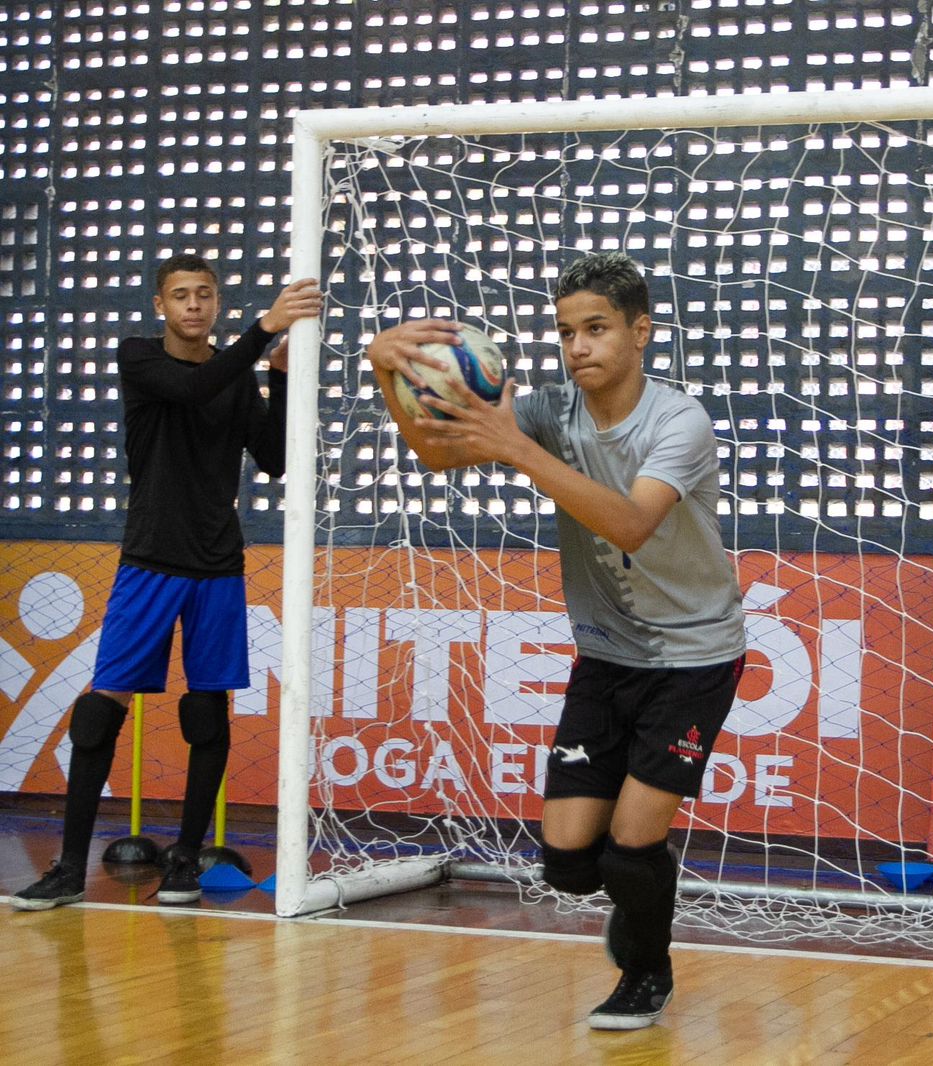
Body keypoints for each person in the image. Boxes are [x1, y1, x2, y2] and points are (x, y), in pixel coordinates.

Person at [365, 252, 745, 1030]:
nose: (579, 347)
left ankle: (647, 970)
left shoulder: (680, 421)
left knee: (631, 844)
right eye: (567, 331)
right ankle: (636, 899)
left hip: (694, 658)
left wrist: (519, 450)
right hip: (606, 656)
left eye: (597, 328)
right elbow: (438, 453)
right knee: (570, 864)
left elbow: (632, 523)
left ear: (641, 332)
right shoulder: (547, 413)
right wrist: (386, 374)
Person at [12, 254, 323, 910]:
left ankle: (184, 859)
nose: (192, 305)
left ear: (216, 303)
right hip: (150, 561)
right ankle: (68, 868)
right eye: (180, 295)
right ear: (162, 305)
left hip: (216, 567)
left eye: (204, 295)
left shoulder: (234, 374)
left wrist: (276, 378)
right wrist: (265, 332)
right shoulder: (139, 357)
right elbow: (192, 389)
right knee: (100, 713)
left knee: (206, 712)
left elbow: (270, 460)